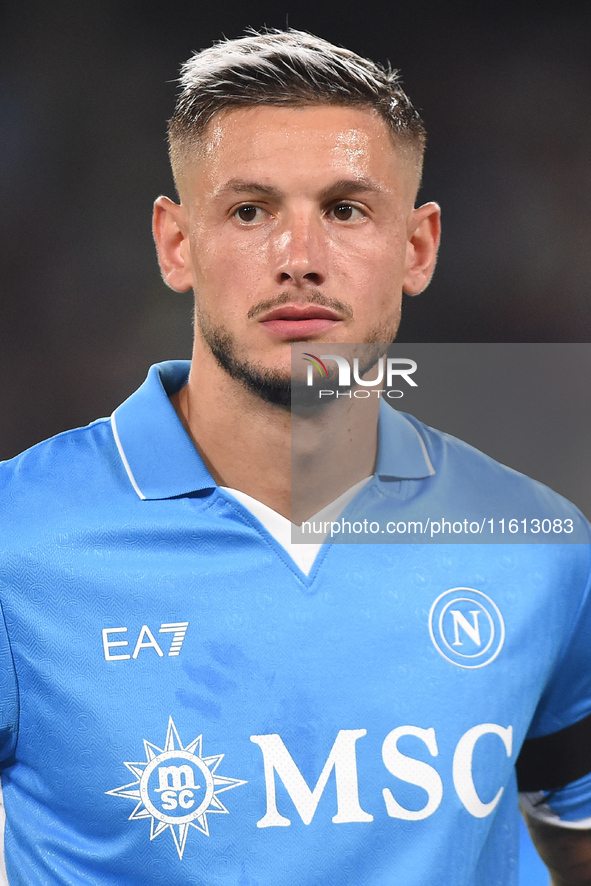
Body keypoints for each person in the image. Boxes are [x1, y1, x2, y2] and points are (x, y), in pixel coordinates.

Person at [0, 28, 590, 886]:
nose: (300, 261)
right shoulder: (18, 543)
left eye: (346, 210)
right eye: (249, 211)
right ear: (176, 244)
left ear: (417, 248)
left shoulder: (540, 545)